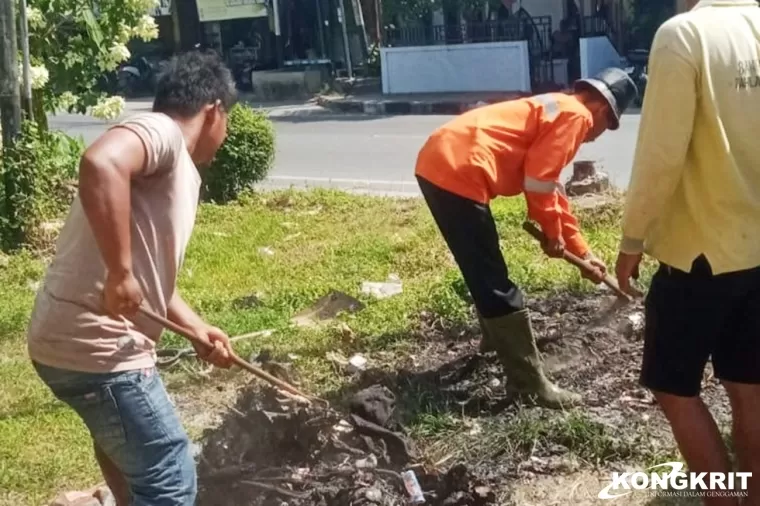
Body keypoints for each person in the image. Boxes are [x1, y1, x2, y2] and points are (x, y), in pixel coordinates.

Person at [26, 50, 238, 506]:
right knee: (169, 474)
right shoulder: (162, 131)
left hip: (63, 342)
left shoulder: (169, 161)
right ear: (213, 110)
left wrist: (195, 326)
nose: (225, 135)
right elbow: (101, 163)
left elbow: (148, 277)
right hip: (97, 348)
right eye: (228, 120)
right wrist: (121, 273)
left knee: (125, 451)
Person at [415, 67, 638, 409]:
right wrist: (551, 233)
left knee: (480, 266)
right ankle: (528, 384)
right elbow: (539, 180)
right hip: (460, 170)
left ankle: (496, 343)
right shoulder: (577, 117)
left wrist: (581, 250)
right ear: (603, 110)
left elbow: (553, 190)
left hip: (440, 161)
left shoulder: (559, 106)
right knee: (493, 278)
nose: (596, 137)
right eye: (606, 127)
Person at [616, 0, 760, 504]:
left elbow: (660, 154)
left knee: (674, 388)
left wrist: (633, 239)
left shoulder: (684, 35)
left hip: (700, 255)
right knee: (751, 391)